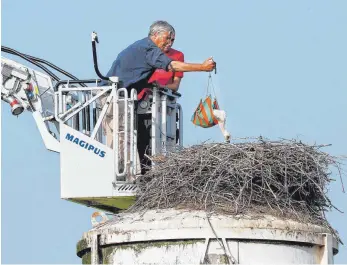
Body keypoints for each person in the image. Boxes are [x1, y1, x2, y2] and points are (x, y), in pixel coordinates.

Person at [101, 20, 216, 180]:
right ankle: (122, 177)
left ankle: (129, 175)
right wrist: (202, 67)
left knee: (127, 136)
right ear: (155, 35)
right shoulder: (148, 48)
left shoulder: (141, 47)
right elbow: (172, 66)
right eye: (167, 38)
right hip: (114, 97)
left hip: (121, 97)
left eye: (172, 40)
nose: (169, 43)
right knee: (122, 137)